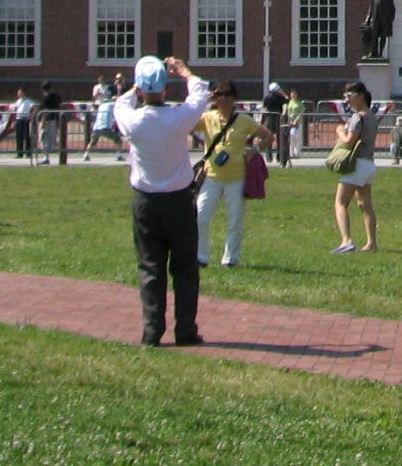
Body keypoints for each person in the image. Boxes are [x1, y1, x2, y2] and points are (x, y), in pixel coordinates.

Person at [114, 55, 211, 346]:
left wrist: (135, 89)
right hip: (180, 201)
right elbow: (200, 94)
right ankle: (185, 330)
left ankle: (152, 330)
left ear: (141, 90)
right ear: (165, 90)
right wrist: (183, 71)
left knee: (150, 267)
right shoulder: (178, 119)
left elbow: (121, 103)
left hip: (145, 201)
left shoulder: (132, 122)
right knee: (185, 269)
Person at [195, 81, 268, 269]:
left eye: (227, 94)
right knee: (200, 217)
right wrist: (204, 100)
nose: (223, 98)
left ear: (234, 97)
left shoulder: (243, 120)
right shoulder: (207, 117)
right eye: (219, 94)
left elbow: (268, 136)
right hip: (211, 177)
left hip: (236, 178)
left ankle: (230, 259)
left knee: (235, 220)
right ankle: (201, 257)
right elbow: (187, 125)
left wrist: (255, 149)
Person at [331, 80, 381, 254]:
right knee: (365, 204)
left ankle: (346, 240)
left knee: (340, 203)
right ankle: (371, 243)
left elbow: (349, 141)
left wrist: (339, 131)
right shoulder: (372, 117)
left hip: (356, 164)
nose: (347, 100)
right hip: (368, 164)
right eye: (345, 96)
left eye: (350, 96)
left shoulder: (358, 117)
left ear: (361, 96)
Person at [262, 82, 291, 167]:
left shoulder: (267, 98)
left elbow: (264, 107)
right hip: (278, 118)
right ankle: (279, 156)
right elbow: (287, 100)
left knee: (269, 137)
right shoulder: (280, 98)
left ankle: (268, 156)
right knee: (280, 138)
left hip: (269, 118)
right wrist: (283, 93)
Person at [87, 79, 116, 153]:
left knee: (92, 141)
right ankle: (118, 155)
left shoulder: (102, 105)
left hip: (97, 127)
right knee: (118, 140)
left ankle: (86, 154)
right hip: (105, 127)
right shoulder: (111, 104)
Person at [12, 86, 37, 162]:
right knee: (18, 136)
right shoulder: (18, 101)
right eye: (18, 92)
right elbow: (14, 109)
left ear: (23, 93)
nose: (18, 94)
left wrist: (31, 116)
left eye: (20, 92)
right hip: (18, 119)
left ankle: (28, 153)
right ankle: (19, 153)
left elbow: (35, 108)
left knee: (27, 136)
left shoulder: (28, 101)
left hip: (25, 119)